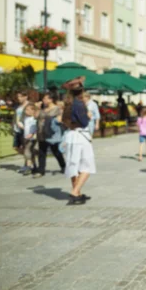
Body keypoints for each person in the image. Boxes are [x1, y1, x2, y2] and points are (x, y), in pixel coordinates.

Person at [61, 76, 95, 205]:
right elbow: (84, 122)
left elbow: (64, 121)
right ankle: (75, 192)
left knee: (73, 165)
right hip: (80, 136)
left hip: (71, 135)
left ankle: (78, 192)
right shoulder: (79, 104)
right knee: (87, 166)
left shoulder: (68, 104)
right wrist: (88, 116)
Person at [34, 92, 65, 178]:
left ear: (51, 99)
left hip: (51, 134)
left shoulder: (56, 109)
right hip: (41, 133)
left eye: (45, 98)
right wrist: (37, 108)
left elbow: (59, 120)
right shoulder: (43, 109)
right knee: (41, 152)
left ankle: (63, 166)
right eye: (43, 99)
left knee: (56, 152)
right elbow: (36, 116)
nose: (43, 100)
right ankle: (41, 171)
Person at [13, 91, 28, 172]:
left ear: (26, 96)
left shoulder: (29, 105)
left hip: (24, 129)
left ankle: (27, 164)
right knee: (16, 147)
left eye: (20, 96)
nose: (19, 98)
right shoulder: (18, 106)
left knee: (25, 147)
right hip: (17, 129)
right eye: (18, 97)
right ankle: (30, 159)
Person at [22, 103, 38, 175]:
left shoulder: (33, 118)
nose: (26, 111)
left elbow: (35, 127)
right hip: (26, 137)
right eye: (25, 109)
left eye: (28, 109)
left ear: (33, 111)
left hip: (32, 137)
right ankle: (34, 166)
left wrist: (31, 134)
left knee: (27, 151)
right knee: (31, 152)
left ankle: (28, 167)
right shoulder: (26, 118)